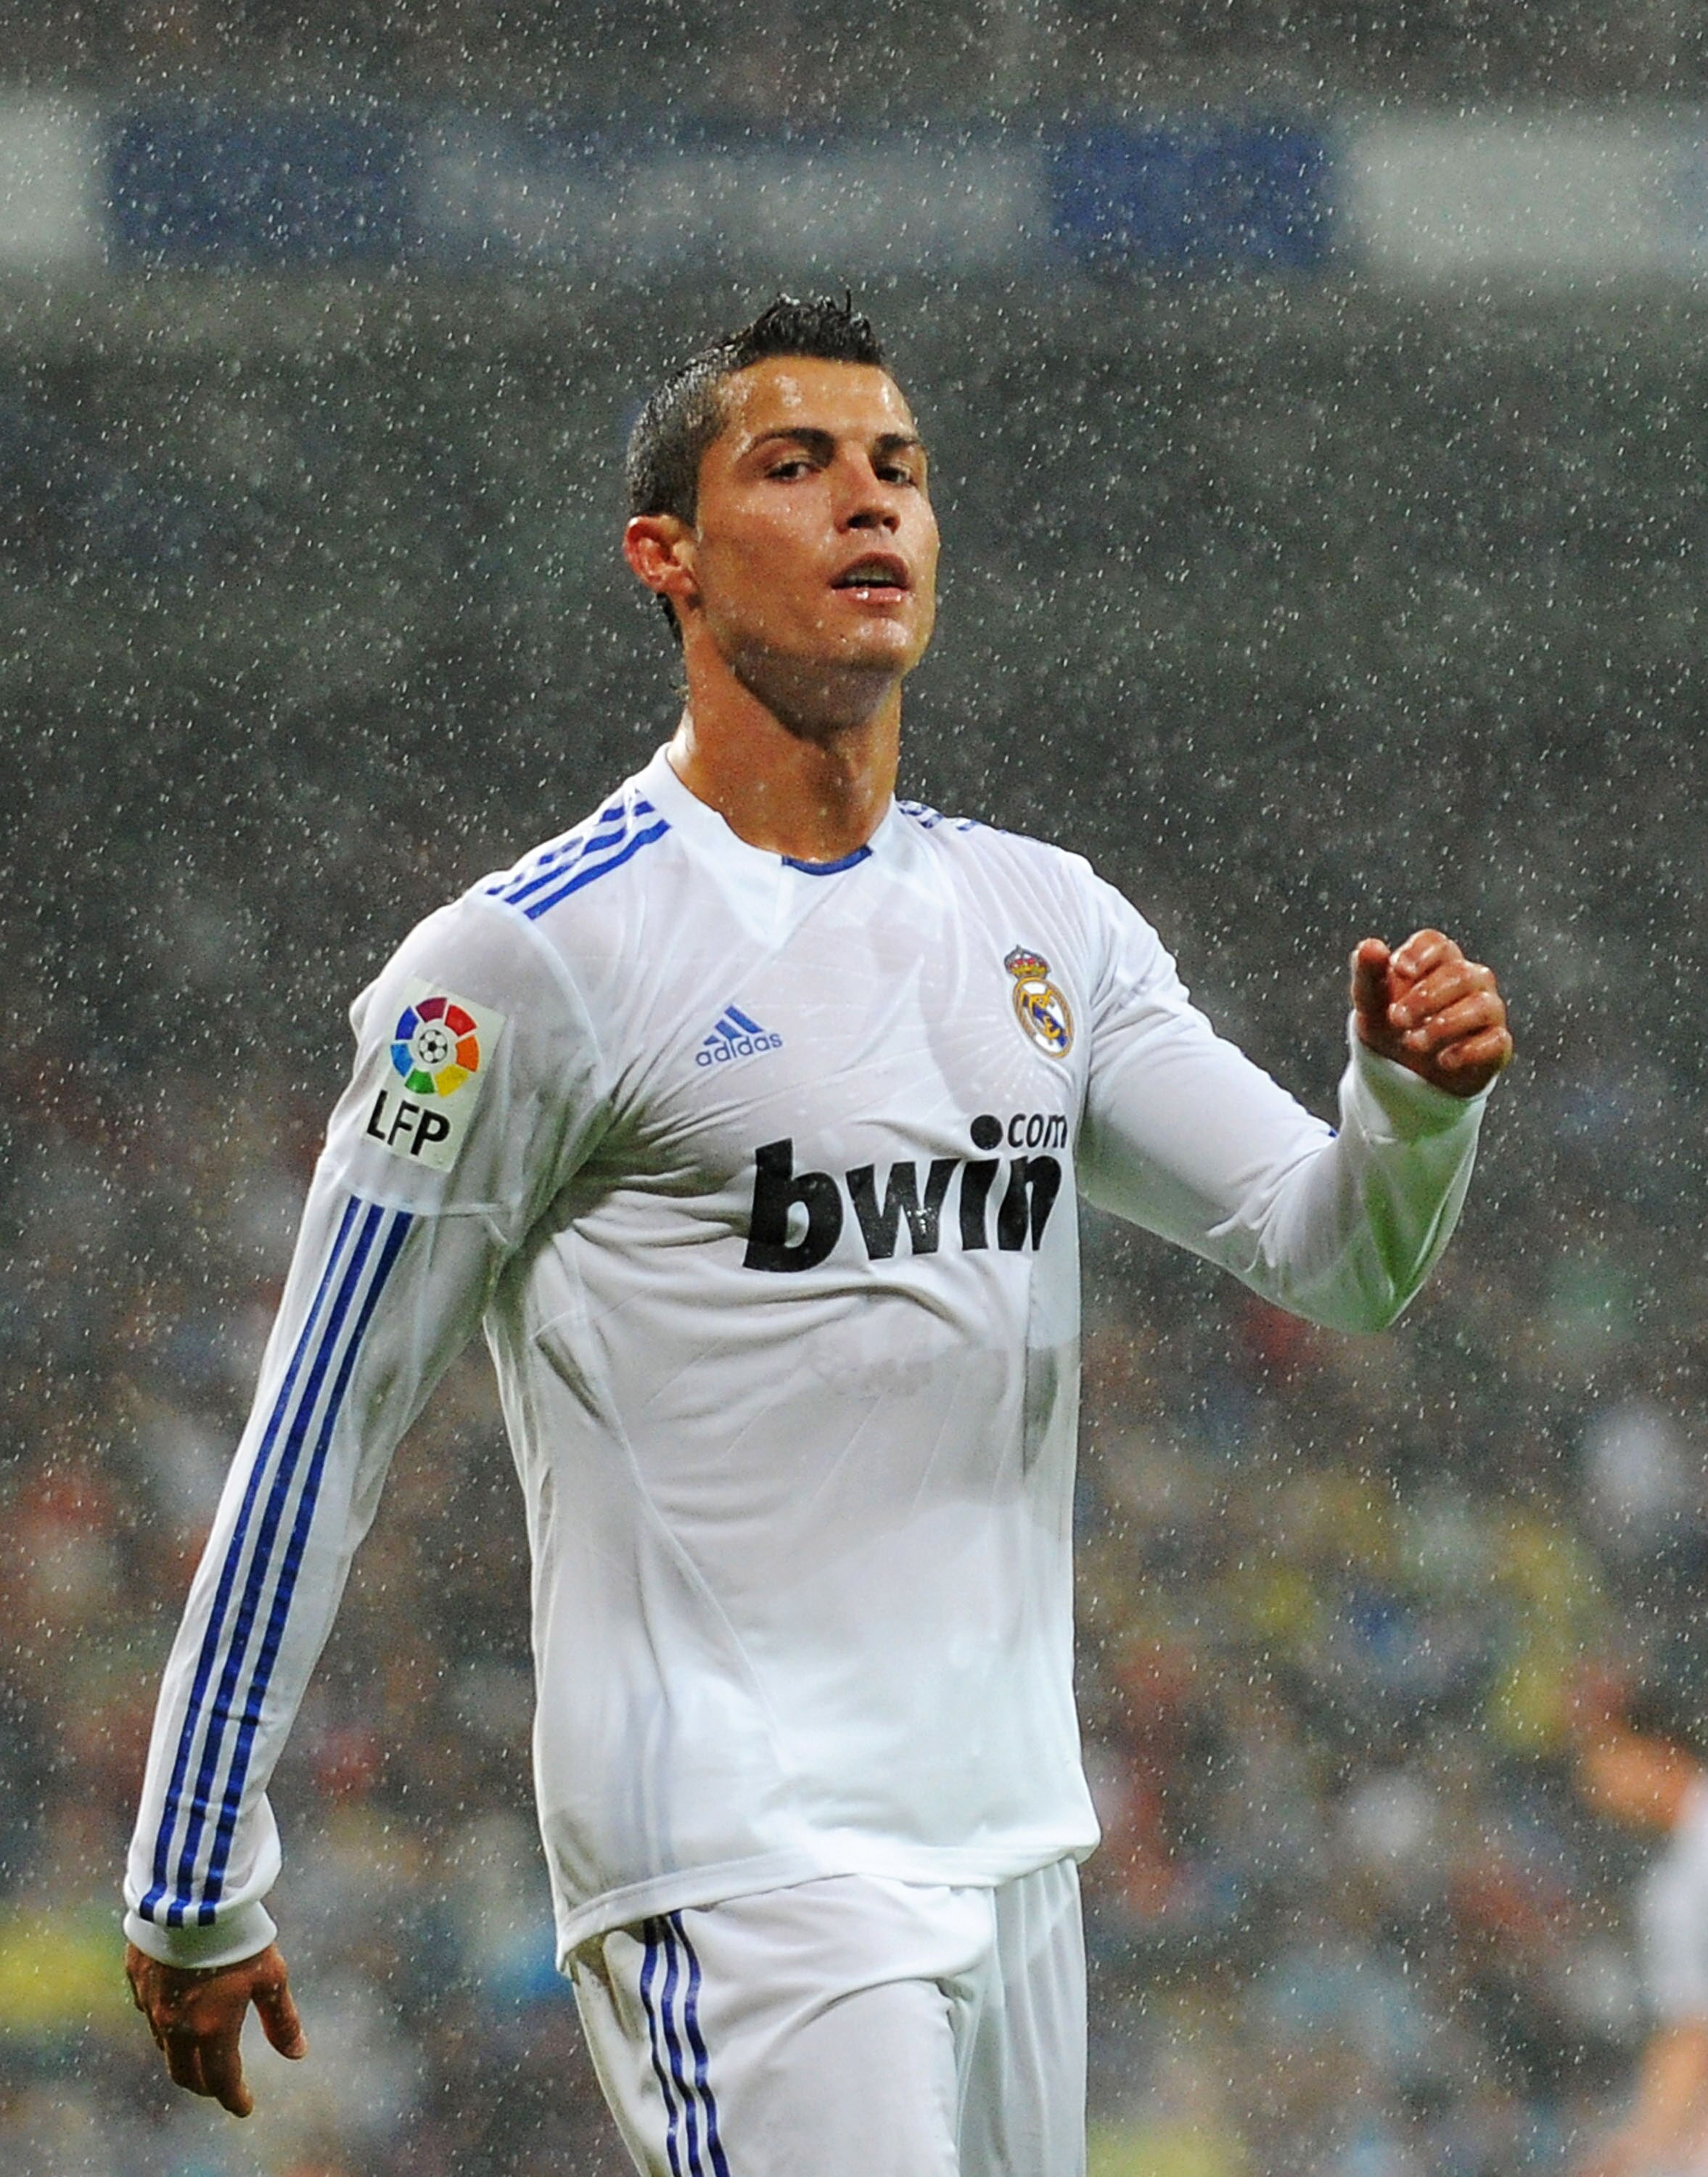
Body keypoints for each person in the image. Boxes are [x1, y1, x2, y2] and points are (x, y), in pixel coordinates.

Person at [124, 295, 1512, 2175]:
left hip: (1016, 1846)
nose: (870, 502)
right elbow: (317, 1426)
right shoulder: (523, 967)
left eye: (900, 470)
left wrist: (1414, 1107)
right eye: (795, 467)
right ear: (666, 558)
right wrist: (196, 1866)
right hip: (742, 1865)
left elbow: (1336, 1249)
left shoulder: (1048, 924)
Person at [1574, 1686, 1708, 2177]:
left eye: (1608, 1755)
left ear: (1661, 1750)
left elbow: (1692, 2033)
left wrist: (1636, 2149)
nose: (1594, 1783)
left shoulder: (1680, 1887)